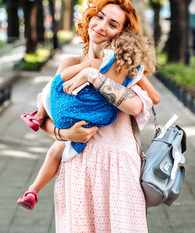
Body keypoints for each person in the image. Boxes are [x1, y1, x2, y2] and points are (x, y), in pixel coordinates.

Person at [35, 0, 156, 232]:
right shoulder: (69, 64)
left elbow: (133, 105)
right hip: (76, 170)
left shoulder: (125, 68)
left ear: (123, 34)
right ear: (90, 17)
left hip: (118, 172)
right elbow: (45, 118)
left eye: (112, 24)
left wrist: (92, 74)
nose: (101, 26)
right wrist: (65, 135)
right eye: (99, 17)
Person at [17, 29, 159, 210]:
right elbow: (155, 98)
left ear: (111, 48)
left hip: (70, 111)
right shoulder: (135, 74)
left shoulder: (99, 63)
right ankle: (33, 189)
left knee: (52, 87)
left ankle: (37, 118)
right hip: (96, 119)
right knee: (58, 150)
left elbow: (64, 77)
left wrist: (82, 75)